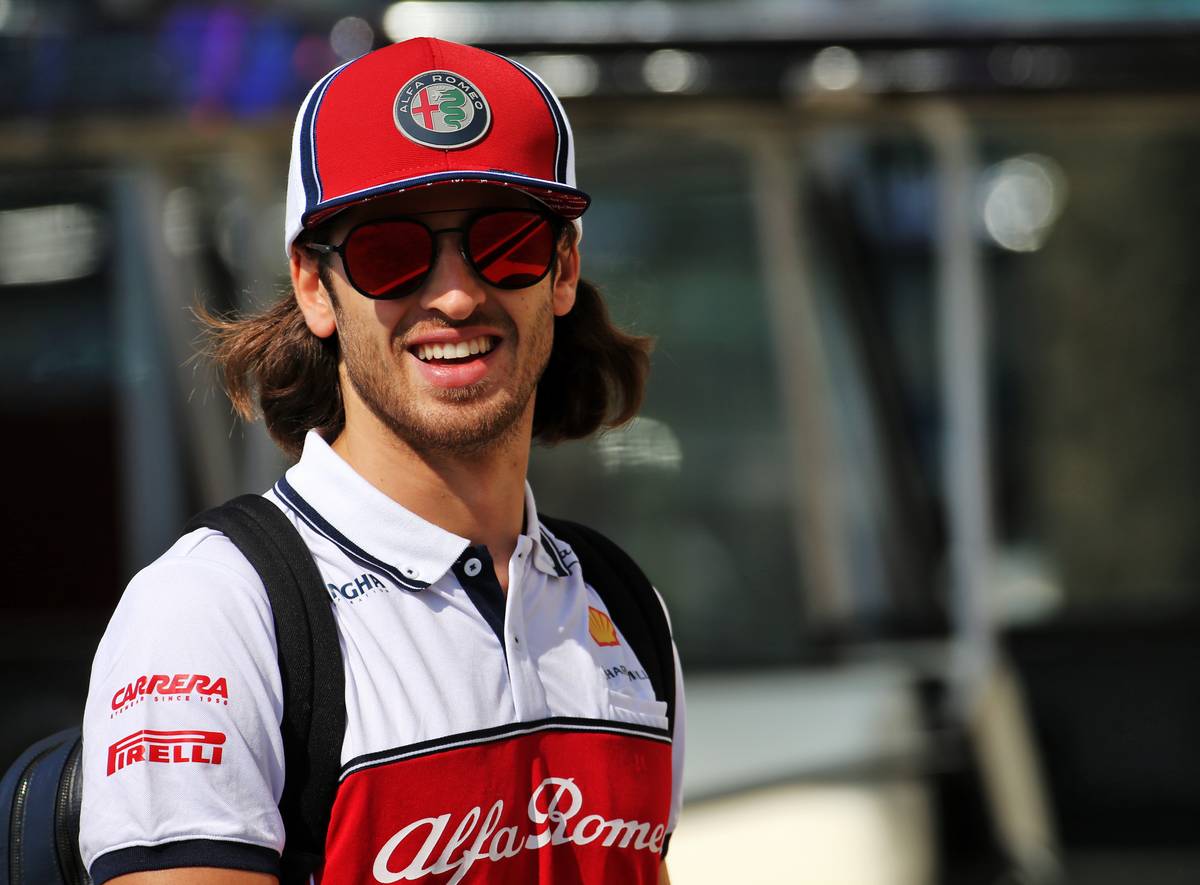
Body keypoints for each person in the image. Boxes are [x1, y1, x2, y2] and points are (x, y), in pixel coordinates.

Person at [78, 36, 684, 885]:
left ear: (563, 270)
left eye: (505, 241)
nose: (457, 293)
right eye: (390, 251)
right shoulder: (212, 611)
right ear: (315, 287)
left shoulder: (621, 601)